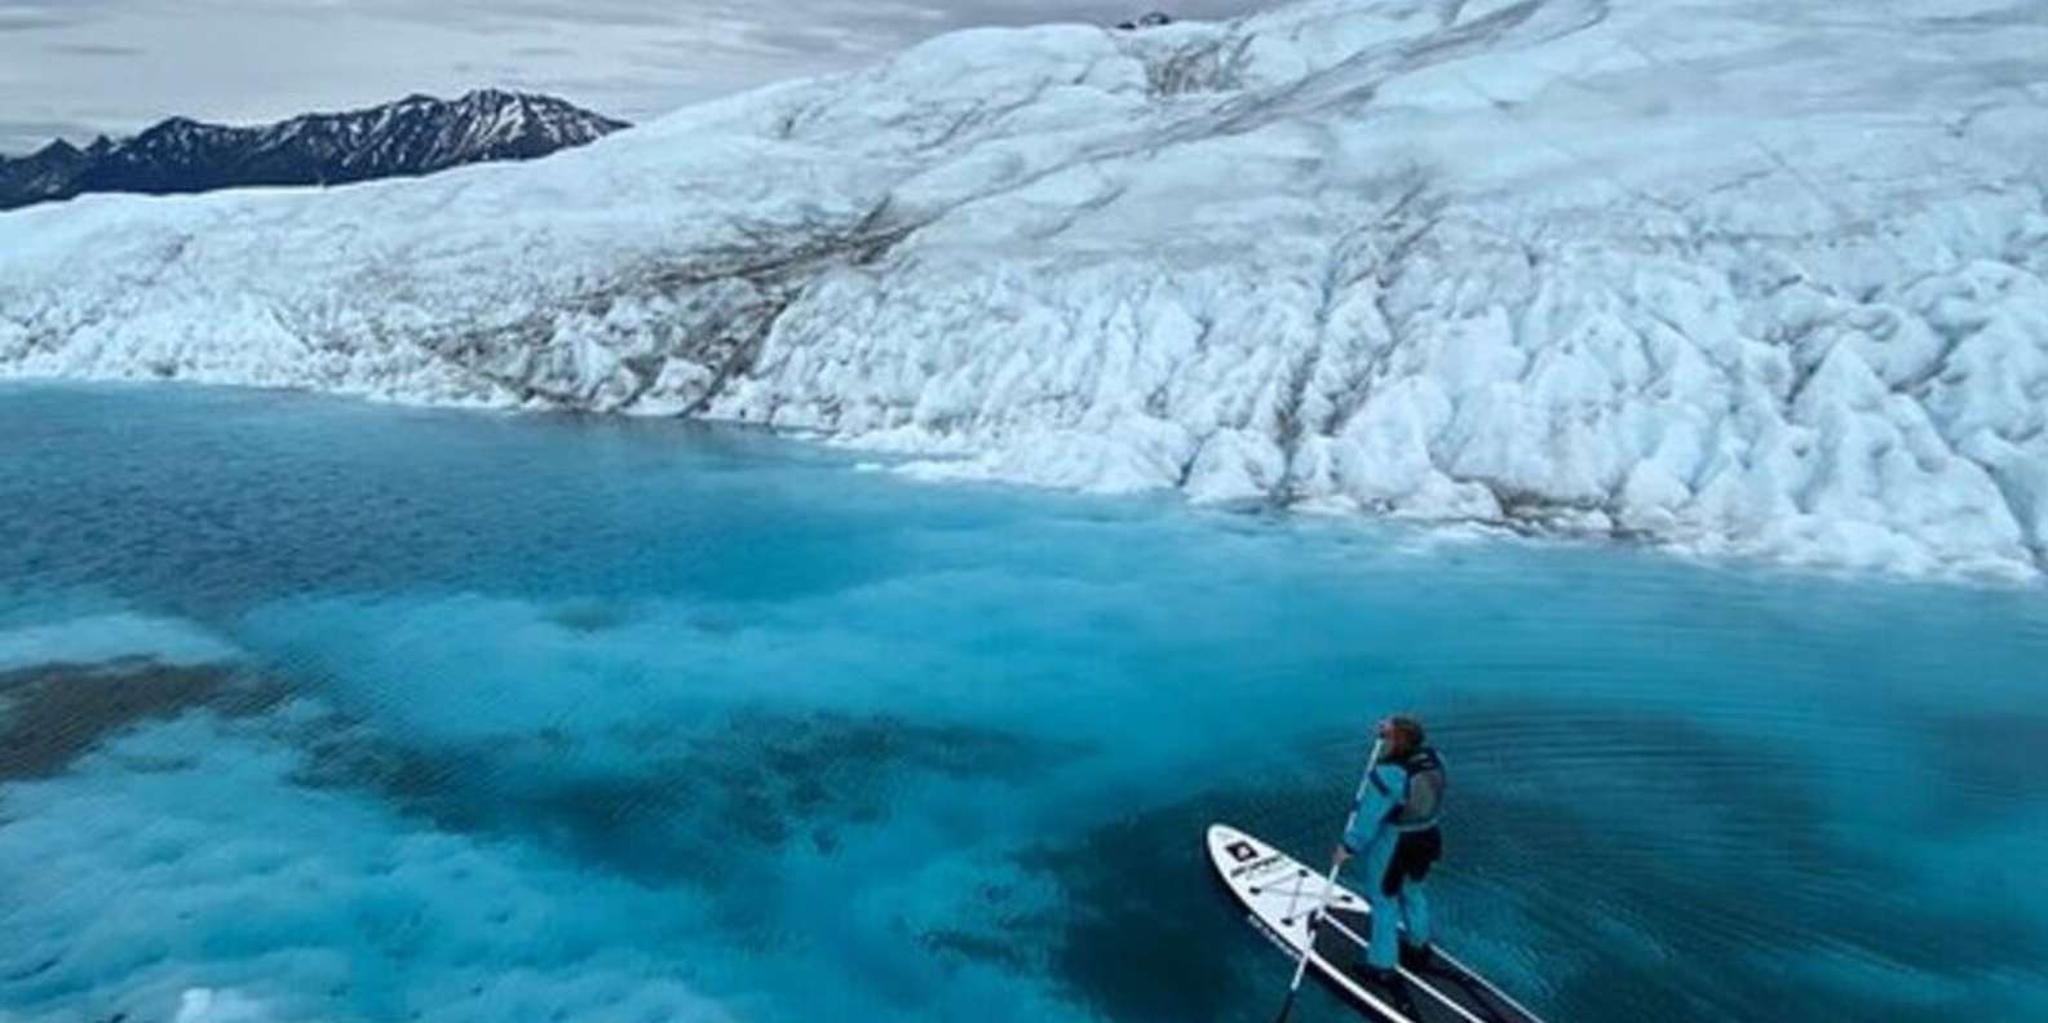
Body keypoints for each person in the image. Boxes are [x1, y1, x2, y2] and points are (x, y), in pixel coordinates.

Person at [1333, 714, 1446, 985]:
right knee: (1413, 892)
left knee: (1384, 901)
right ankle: (1418, 949)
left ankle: (1381, 966)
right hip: (1429, 836)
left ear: (1395, 740)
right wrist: (1394, 731)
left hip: (1397, 844)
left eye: (1388, 733)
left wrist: (1348, 847)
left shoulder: (1387, 775)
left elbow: (1368, 818)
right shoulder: (1436, 759)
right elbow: (1410, 744)